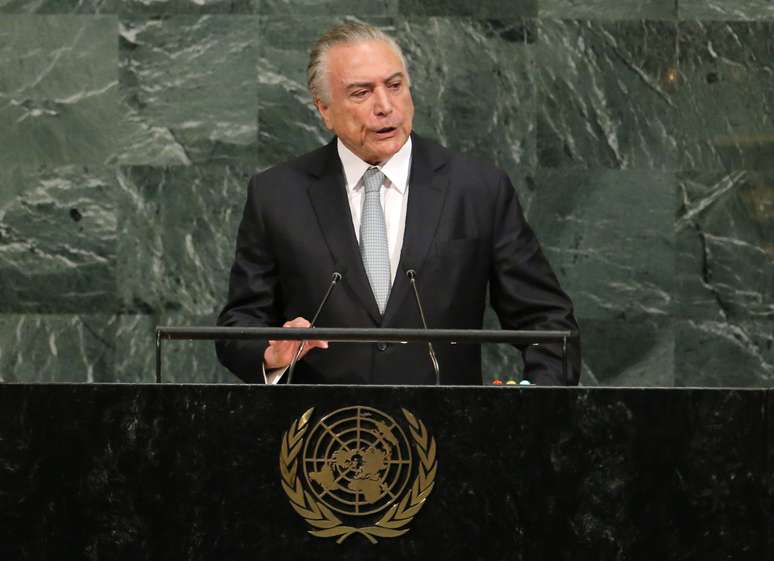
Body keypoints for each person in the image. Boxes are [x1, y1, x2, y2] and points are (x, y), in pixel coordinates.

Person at [216, 21, 580, 385]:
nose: (385, 106)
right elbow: (240, 325)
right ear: (323, 109)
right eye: (361, 93)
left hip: (448, 429)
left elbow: (547, 321)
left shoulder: (478, 189)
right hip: (324, 434)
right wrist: (270, 350)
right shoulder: (278, 195)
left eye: (394, 85)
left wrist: (535, 405)